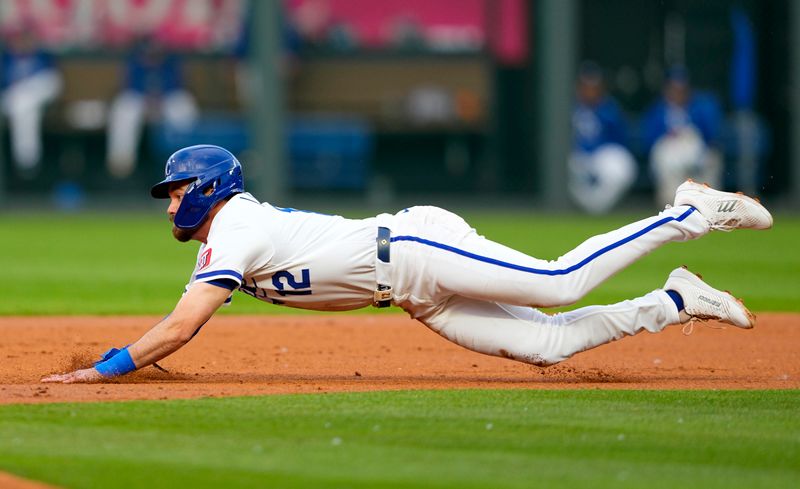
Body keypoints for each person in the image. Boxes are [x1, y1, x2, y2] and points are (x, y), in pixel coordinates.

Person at [42, 145, 772, 384]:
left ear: (205, 190)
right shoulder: (225, 238)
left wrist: (108, 368)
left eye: (174, 193)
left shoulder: (235, 227)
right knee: (547, 346)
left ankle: (688, 213)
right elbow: (182, 318)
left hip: (415, 246)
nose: (168, 206)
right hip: (412, 293)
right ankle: (675, 302)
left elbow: (181, 326)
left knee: (558, 280)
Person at [106, 37, 198, 179]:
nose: (151, 56)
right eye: (147, 53)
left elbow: (178, 86)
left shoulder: (171, 62)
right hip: (141, 100)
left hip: (167, 100)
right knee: (124, 108)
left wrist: (158, 102)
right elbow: (128, 87)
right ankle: (121, 164)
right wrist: (150, 102)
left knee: (183, 107)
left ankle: (187, 164)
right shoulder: (134, 63)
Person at [642, 66, 724, 207]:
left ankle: (711, 203)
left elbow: (711, 135)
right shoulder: (658, 109)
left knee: (712, 158)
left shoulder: (700, 106)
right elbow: (649, 140)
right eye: (674, 88)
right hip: (669, 151)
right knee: (664, 158)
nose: (678, 92)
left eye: (681, 89)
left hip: (695, 149)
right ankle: (671, 203)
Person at [569, 61, 637, 214]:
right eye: (586, 86)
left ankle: (596, 209)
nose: (590, 91)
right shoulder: (570, 106)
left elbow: (621, 140)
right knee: (566, 167)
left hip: (601, 155)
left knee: (621, 168)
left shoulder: (609, 108)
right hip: (576, 156)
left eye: (593, 87)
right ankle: (579, 208)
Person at [1, 26, 62, 175]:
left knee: (26, 103)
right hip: (11, 100)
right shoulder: (6, 59)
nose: (22, 42)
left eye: (26, 39)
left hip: (36, 100)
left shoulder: (43, 56)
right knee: (22, 103)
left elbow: (52, 81)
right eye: (18, 39)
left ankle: (26, 163)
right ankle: (28, 163)